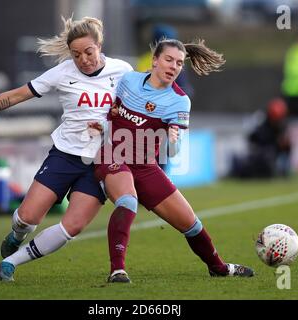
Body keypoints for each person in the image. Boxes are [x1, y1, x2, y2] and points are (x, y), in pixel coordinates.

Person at [0, 16, 133, 282]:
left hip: (101, 162)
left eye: (88, 52)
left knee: (72, 226)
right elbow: (14, 96)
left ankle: (10, 263)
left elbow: (137, 109)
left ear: (100, 45)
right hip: (65, 156)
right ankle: (17, 235)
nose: (83, 59)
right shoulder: (62, 72)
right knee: (27, 217)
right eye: (76, 54)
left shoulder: (123, 71)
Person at [93, 38, 254, 283]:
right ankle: (117, 270)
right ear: (155, 60)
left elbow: (174, 152)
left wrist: (172, 139)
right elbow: (111, 113)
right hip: (113, 155)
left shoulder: (179, 100)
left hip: (146, 166)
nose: (173, 66)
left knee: (192, 225)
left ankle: (218, 267)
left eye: (179, 63)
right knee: (127, 201)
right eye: (168, 60)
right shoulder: (128, 80)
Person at [230, 98, 292, 179]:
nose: (277, 121)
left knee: (286, 146)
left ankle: (284, 169)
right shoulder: (261, 123)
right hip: (260, 153)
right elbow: (253, 139)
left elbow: (285, 145)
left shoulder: (282, 126)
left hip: (273, 152)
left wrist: (282, 143)